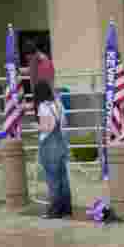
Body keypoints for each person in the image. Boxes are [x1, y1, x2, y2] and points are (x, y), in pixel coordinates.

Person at [35, 80, 73, 219]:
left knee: (52, 179)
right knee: (63, 178)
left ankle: (55, 210)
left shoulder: (43, 106)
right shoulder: (59, 103)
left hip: (49, 145)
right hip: (62, 143)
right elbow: (64, 123)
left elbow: (48, 127)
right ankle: (66, 209)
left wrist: (37, 127)